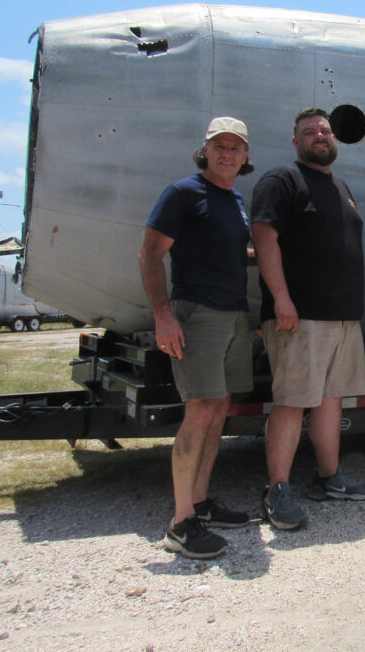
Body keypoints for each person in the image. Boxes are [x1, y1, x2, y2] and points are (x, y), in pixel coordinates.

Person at [250, 108, 365, 531]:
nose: (319, 136)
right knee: (291, 402)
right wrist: (281, 298)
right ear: (296, 141)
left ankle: (328, 478)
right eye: (310, 132)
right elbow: (264, 237)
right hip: (298, 317)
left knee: (330, 400)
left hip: (342, 318)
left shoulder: (338, 185)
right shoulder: (281, 181)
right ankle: (277, 490)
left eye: (324, 130)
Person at [138, 116, 255, 559]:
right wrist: (163, 315)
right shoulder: (184, 192)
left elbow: (228, 250)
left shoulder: (235, 199)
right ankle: (180, 523)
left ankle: (201, 503)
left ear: (245, 156)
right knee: (201, 409)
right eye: (219, 145)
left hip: (233, 313)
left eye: (236, 147)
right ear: (205, 149)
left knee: (220, 406)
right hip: (198, 314)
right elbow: (150, 253)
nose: (227, 153)